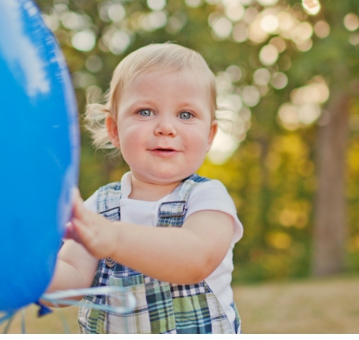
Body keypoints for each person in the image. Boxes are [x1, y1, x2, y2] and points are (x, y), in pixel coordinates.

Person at [45, 43, 242, 334]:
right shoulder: (98, 206)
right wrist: (30, 270)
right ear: (114, 129)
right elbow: (71, 279)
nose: (166, 127)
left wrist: (112, 238)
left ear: (210, 135)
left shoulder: (207, 198)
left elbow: (196, 258)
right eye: (145, 111)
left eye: (185, 115)